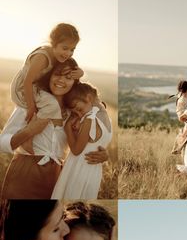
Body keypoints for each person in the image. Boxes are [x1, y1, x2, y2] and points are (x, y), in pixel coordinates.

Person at [0, 60, 108, 199]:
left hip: (57, 178)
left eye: (68, 77)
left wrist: (102, 155)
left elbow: (82, 146)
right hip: (25, 172)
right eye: (57, 74)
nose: (61, 80)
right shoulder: (32, 104)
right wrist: (29, 131)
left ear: (74, 82)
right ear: (49, 76)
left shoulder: (74, 113)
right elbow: (2, 142)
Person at [11, 23, 83, 123]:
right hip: (22, 89)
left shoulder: (58, 54)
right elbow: (27, 82)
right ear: (54, 44)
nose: (68, 54)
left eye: (72, 49)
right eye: (65, 48)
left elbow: (69, 65)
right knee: (52, 105)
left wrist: (80, 72)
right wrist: (31, 107)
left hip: (35, 86)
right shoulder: (42, 58)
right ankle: (39, 130)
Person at [51, 83, 112, 199]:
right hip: (93, 172)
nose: (79, 115)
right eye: (75, 113)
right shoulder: (107, 120)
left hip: (77, 171)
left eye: (79, 109)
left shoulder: (89, 120)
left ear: (88, 98)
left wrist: (67, 128)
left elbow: (76, 150)